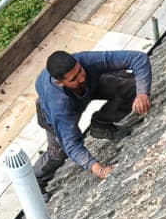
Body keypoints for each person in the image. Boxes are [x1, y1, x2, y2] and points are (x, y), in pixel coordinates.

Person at [33, 48, 152, 187]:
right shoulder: (59, 105)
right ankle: (35, 181)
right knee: (58, 153)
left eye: (80, 71)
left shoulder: (86, 61)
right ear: (59, 82)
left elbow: (138, 58)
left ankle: (101, 125)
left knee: (131, 86)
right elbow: (71, 144)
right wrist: (98, 169)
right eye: (74, 79)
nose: (81, 78)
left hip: (90, 87)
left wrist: (142, 93)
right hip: (52, 111)